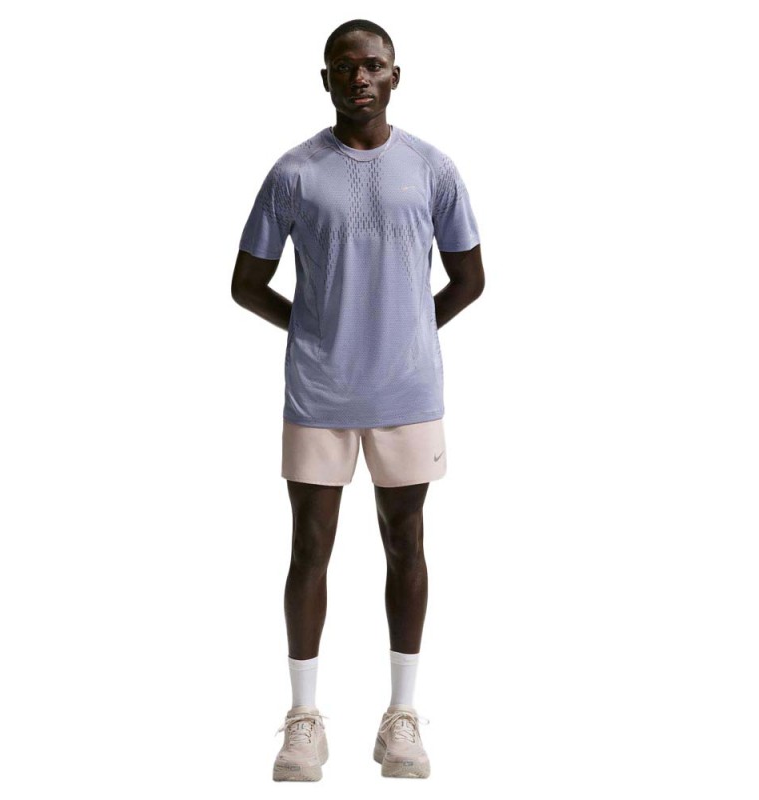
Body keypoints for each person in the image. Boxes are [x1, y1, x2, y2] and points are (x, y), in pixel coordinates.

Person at [232, 19, 484, 781]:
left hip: (408, 391)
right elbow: (246, 284)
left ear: (395, 75)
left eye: (373, 65)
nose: (360, 78)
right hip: (319, 394)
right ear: (326, 80)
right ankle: (303, 719)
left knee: (406, 542)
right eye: (344, 67)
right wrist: (317, 331)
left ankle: (401, 717)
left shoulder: (432, 169)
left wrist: (408, 333)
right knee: (310, 548)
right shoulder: (294, 173)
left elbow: (470, 279)